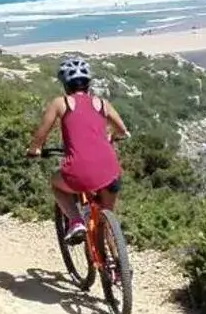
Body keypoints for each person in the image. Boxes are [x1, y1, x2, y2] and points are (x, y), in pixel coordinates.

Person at [26, 56, 129, 244]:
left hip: (79, 171)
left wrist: (35, 149)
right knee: (106, 218)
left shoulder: (60, 103)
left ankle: (75, 221)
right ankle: (117, 265)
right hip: (111, 171)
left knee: (56, 184)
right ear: (88, 83)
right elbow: (122, 130)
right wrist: (112, 137)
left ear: (65, 84)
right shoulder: (102, 103)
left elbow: (42, 133)